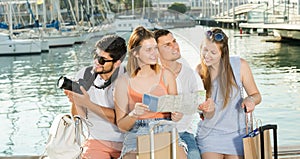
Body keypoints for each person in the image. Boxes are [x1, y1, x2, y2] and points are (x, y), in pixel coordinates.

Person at [114, 26, 187, 159]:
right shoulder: (122, 82)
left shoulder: (167, 75)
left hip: (165, 128)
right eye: (149, 50)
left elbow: (176, 112)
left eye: (155, 48)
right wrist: (134, 114)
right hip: (136, 132)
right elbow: (121, 126)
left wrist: (176, 115)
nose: (155, 53)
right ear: (135, 53)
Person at [195, 28, 262, 159]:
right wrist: (205, 109)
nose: (207, 55)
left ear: (223, 53)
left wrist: (251, 100)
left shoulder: (240, 65)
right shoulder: (199, 71)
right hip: (209, 136)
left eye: (213, 52)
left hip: (237, 135)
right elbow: (203, 113)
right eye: (205, 50)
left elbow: (256, 95)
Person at [64, 34, 127, 159]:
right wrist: (75, 100)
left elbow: (123, 120)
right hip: (97, 139)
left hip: (126, 140)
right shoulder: (84, 74)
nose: (96, 62)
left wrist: (88, 104)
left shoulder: (127, 78)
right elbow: (79, 116)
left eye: (102, 60)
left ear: (117, 63)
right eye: (95, 56)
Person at [154, 29, 211, 159]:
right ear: (156, 51)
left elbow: (202, 108)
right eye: (167, 45)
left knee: (194, 156)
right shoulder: (150, 75)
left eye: (174, 41)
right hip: (156, 133)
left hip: (183, 132)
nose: (174, 46)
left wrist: (207, 108)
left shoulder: (190, 74)